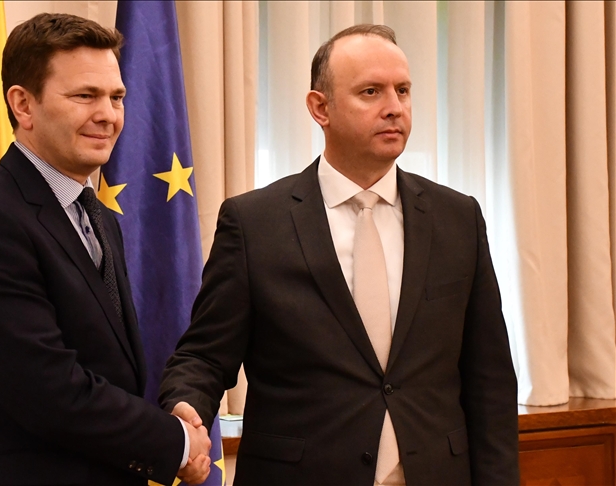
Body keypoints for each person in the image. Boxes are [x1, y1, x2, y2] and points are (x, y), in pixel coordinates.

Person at [159, 24, 518, 485]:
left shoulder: (458, 218)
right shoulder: (254, 224)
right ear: (320, 108)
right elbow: (205, 356)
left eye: (403, 90)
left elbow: (490, 378)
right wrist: (187, 407)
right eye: (371, 92)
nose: (394, 107)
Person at [0, 13, 211, 486]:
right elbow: (48, 390)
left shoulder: (96, 215)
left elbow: (109, 371)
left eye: (116, 97)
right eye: (85, 96)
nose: (109, 115)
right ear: (23, 105)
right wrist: (175, 443)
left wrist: (169, 437)